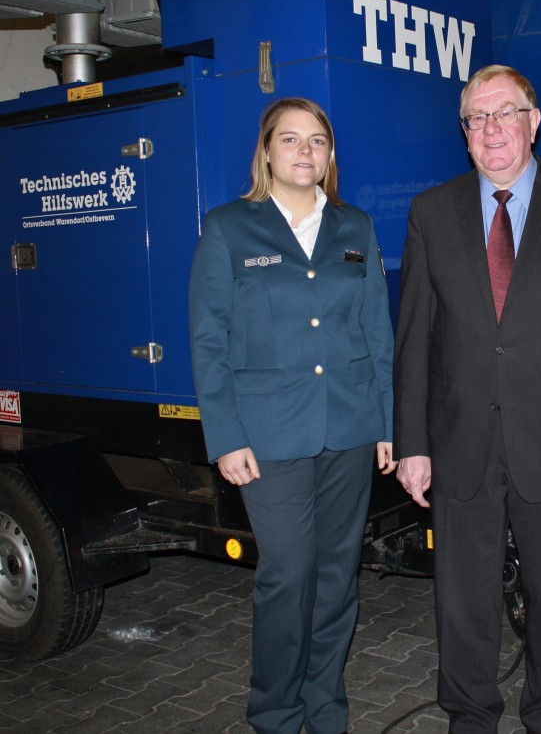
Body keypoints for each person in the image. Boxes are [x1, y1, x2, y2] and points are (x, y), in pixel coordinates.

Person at [393, 64, 541, 733]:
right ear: (464, 133)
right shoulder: (431, 212)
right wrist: (411, 442)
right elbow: (414, 339)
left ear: (534, 121)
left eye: (505, 113)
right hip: (459, 439)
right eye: (477, 118)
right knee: (462, 598)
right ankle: (470, 713)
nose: (491, 129)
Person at [188, 97, 396, 734]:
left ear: (330, 155)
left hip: (351, 427)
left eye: (318, 141)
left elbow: (378, 333)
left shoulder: (355, 227)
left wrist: (389, 423)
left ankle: (325, 706)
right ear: (267, 153)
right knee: (287, 574)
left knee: (338, 576)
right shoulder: (229, 228)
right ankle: (275, 713)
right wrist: (224, 436)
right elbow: (208, 339)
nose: (305, 151)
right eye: (290, 139)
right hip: (268, 435)